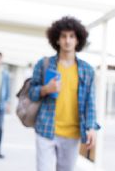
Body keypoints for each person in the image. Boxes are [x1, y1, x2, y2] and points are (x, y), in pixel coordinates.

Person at [29, 17, 100, 171]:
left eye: (72, 36)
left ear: (78, 40)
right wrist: (46, 89)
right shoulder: (44, 64)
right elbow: (32, 93)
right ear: (57, 39)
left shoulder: (87, 70)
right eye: (63, 36)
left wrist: (92, 128)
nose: (67, 40)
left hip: (72, 134)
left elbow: (90, 103)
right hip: (46, 129)